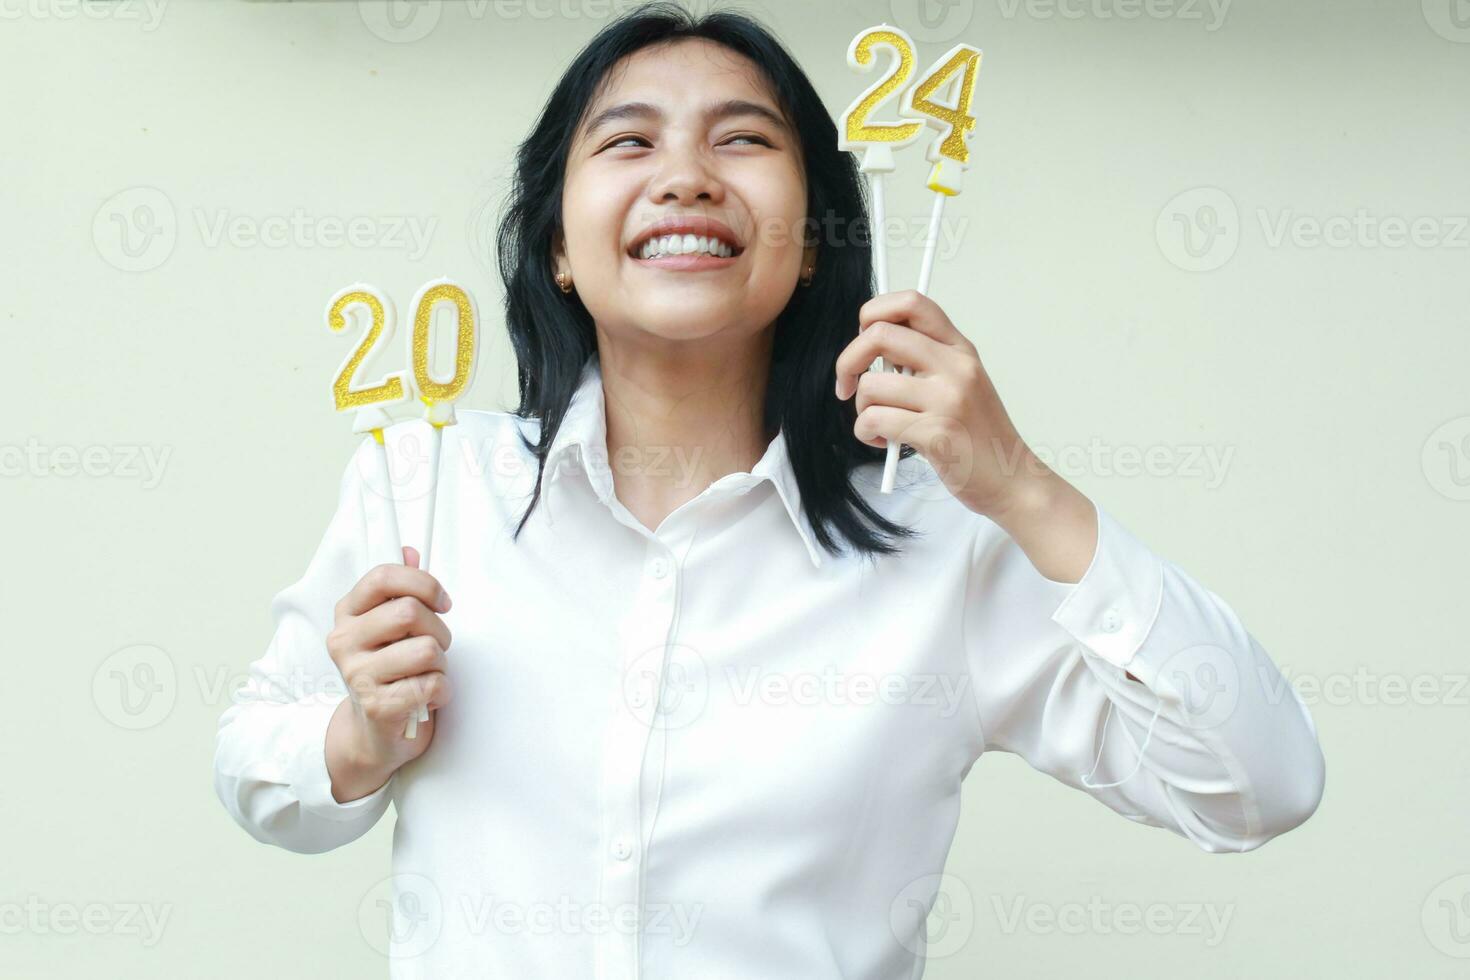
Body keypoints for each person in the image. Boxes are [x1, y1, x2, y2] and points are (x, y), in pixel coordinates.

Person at [213, 4, 1325, 976]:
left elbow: (1258, 781)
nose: (686, 174)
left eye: (742, 139)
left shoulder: (941, 541)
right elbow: (255, 767)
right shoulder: (425, 487)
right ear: (558, 243)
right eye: (628, 140)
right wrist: (357, 739)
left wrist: (1021, 486)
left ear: (809, 246)